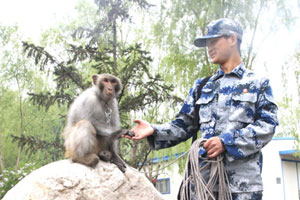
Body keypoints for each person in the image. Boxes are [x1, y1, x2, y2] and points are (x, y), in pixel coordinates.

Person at [123, 18, 278, 200]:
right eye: (206, 43)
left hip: (241, 189)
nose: (209, 47)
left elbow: (267, 125)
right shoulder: (202, 86)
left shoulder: (257, 84)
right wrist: (153, 130)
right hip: (202, 186)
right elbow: (183, 125)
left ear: (232, 39)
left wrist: (226, 142)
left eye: (214, 41)